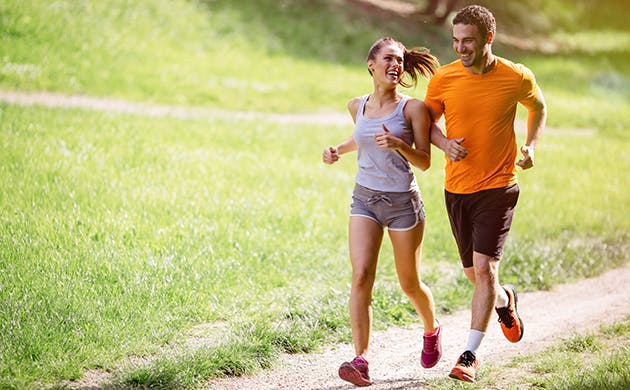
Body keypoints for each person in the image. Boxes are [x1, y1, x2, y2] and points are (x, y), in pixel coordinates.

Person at [423, 5, 547, 383]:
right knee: (474, 276)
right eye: (456, 41)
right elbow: (426, 124)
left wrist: (531, 146)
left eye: (468, 41)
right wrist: (444, 143)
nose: (461, 48)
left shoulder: (515, 76)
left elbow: (538, 107)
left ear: (488, 38)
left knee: (483, 269)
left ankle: (469, 355)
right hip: (457, 188)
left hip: (499, 186)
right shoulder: (444, 79)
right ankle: (505, 301)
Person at [322, 37, 442, 387]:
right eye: (389, 58)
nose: (396, 65)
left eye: (401, 60)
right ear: (371, 64)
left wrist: (400, 144)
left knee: (409, 283)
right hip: (365, 199)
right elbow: (363, 137)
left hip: (403, 204)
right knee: (361, 276)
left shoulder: (413, 109)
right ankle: (361, 360)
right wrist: (338, 150)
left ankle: (432, 329)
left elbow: (424, 161)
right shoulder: (356, 105)